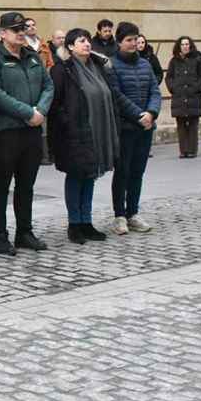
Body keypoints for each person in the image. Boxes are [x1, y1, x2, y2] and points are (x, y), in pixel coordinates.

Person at [48, 29, 141, 244]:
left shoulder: (99, 66)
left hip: (97, 131)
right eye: (81, 41)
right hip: (74, 132)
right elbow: (56, 103)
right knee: (76, 176)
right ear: (70, 46)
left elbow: (110, 95)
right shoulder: (63, 70)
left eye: (88, 40)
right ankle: (75, 224)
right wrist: (69, 123)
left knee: (90, 175)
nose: (87, 44)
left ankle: (86, 222)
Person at [0, 12, 54, 255]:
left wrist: (41, 110)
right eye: (15, 30)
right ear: (2, 33)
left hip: (32, 131)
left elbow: (48, 85)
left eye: (23, 29)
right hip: (6, 132)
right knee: (1, 184)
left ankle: (24, 232)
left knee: (27, 184)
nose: (21, 33)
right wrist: (27, 112)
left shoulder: (32, 57)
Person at [109, 21, 162, 235]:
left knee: (137, 172)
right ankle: (119, 216)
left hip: (145, 127)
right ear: (119, 42)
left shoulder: (145, 64)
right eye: (129, 40)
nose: (133, 43)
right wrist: (139, 115)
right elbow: (117, 95)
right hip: (126, 127)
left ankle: (133, 213)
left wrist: (151, 113)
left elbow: (155, 91)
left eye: (135, 39)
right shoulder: (112, 65)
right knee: (123, 171)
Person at [165, 36, 201, 158]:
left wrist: (196, 88)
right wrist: (173, 88)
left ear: (191, 46)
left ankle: (192, 150)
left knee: (193, 123)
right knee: (181, 124)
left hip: (193, 97)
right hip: (179, 97)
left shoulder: (198, 60)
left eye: (187, 44)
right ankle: (183, 150)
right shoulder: (174, 61)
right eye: (183, 44)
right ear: (179, 46)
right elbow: (169, 77)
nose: (185, 46)